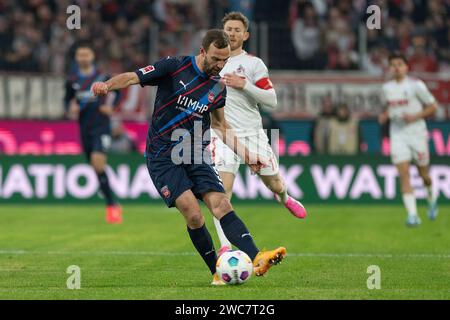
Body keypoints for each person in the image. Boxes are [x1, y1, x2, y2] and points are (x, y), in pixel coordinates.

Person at [90, 29, 286, 285]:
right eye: (216, 58)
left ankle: (258, 256)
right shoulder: (174, 66)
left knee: (222, 204)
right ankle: (216, 271)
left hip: (195, 152)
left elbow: (221, 126)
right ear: (203, 51)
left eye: (225, 60)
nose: (220, 65)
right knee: (193, 214)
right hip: (162, 155)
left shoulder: (218, 86)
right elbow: (132, 77)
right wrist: (107, 85)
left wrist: (248, 156)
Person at [209, 12, 307, 256]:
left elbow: (271, 100)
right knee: (221, 194)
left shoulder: (253, 64)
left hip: (253, 134)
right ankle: (225, 247)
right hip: (221, 134)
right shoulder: (211, 63)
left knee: (274, 182)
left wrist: (245, 85)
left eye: (236, 30)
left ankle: (284, 197)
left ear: (246, 35)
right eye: (228, 29)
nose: (231, 33)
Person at [64, 42, 122, 224]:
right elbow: (67, 100)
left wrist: (110, 106)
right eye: (80, 55)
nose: (83, 58)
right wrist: (70, 107)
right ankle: (111, 201)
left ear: (92, 56)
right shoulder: (72, 80)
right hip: (84, 128)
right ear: (76, 58)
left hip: (101, 127)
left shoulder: (102, 77)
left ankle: (112, 206)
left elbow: (117, 92)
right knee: (95, 167)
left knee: (98, 163)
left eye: (86, 54)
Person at [379, 52, 439, 227]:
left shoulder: (416, 85)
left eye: (399, 64)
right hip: (397, 134)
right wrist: (384, 116)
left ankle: (431, 194)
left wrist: (415, 116)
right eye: (393, 65)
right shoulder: (386, 88)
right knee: (403, 174)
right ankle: (412, 215)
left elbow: (433, 106)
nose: (396, 68)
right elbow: (388, 109)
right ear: (390, 68)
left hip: (417, 133)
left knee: (423, 174)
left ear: (406, 67)